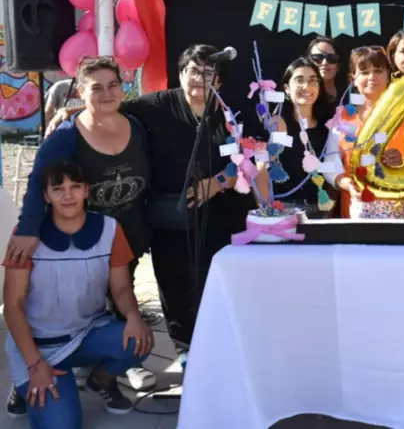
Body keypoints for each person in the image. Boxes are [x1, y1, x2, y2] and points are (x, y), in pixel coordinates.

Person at [37, 45, 254, 367]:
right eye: (193, 71)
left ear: (219, 81)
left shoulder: (230, 112)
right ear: (180, 74)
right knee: (175, 280)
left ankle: (220, 341)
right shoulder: (158, 105)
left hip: (221, 211)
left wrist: (217, 182)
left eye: (209, 73)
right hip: (170, 214)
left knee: (216, 277)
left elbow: (249, 156)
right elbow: (112, 107)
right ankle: (185, 348)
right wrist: (70, 112)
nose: (200, 79)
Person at [6, 56, 155, 394]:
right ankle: (35, 365)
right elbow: (39, 180)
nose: (106, 93)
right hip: (80, 235)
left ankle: (111, 371)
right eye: (96, 88)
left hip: (127, 232)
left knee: (122, 296)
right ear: (80, 93)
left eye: (113, 85)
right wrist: (28, 228)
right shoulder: (66, 135)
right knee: (72, 301)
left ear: (123, 88)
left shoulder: (137, 126)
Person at [3, 160, 153, 428]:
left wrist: (133, 316)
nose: (68, 195)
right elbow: (12, 306)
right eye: (58, 189)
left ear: (86, 190)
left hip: (87, 332)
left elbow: (120, 288)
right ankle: (23, 382)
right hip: (40, 346)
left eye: (75, 186)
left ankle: (102, 380)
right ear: (45, 196)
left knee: (139, 340)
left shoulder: (110, 229)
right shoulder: (25, 237)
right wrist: (34, 365)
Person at [322, 46, 404, 219]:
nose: (372, 77)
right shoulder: (342, 117)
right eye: (364, 72)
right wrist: (345, 183)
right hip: (355, 211)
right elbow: (330, 161)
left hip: (399, 211)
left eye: (378, 70)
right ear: (353, 79)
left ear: (388, 75)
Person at [272, 57, 336, 218]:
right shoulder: (278, 123)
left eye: (313, 80)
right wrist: (267, 213)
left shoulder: (328, 125)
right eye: (299, 80)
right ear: (287, 88)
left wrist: (328, 213)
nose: (306, 86)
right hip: (283, 210)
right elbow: (262, 169)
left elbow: (334, 169)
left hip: (319, 210)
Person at [308, 37, 347, 106]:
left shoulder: (350, 91)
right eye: (317, 58)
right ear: (308, 61)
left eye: (331, 58)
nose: (325, 63)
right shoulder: (304, 92)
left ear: (338, 64)